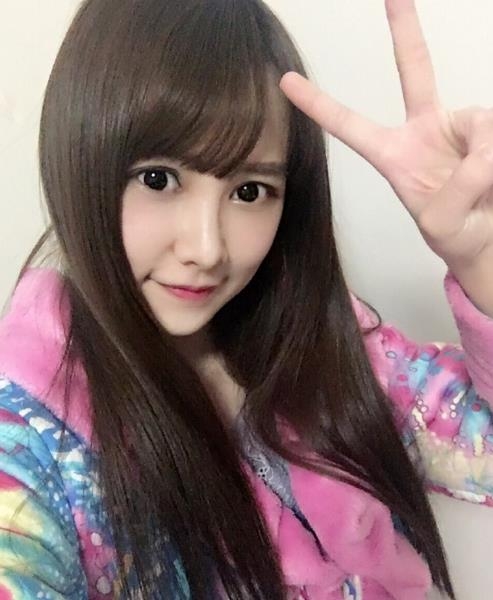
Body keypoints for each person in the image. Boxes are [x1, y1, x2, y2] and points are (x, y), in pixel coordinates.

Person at [0, 0, 492, 598]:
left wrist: (483, 266)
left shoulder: (326, 350)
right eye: (158, 179)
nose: (208, 248)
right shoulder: (30, 433)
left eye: (251, 190)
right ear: (77, 158)